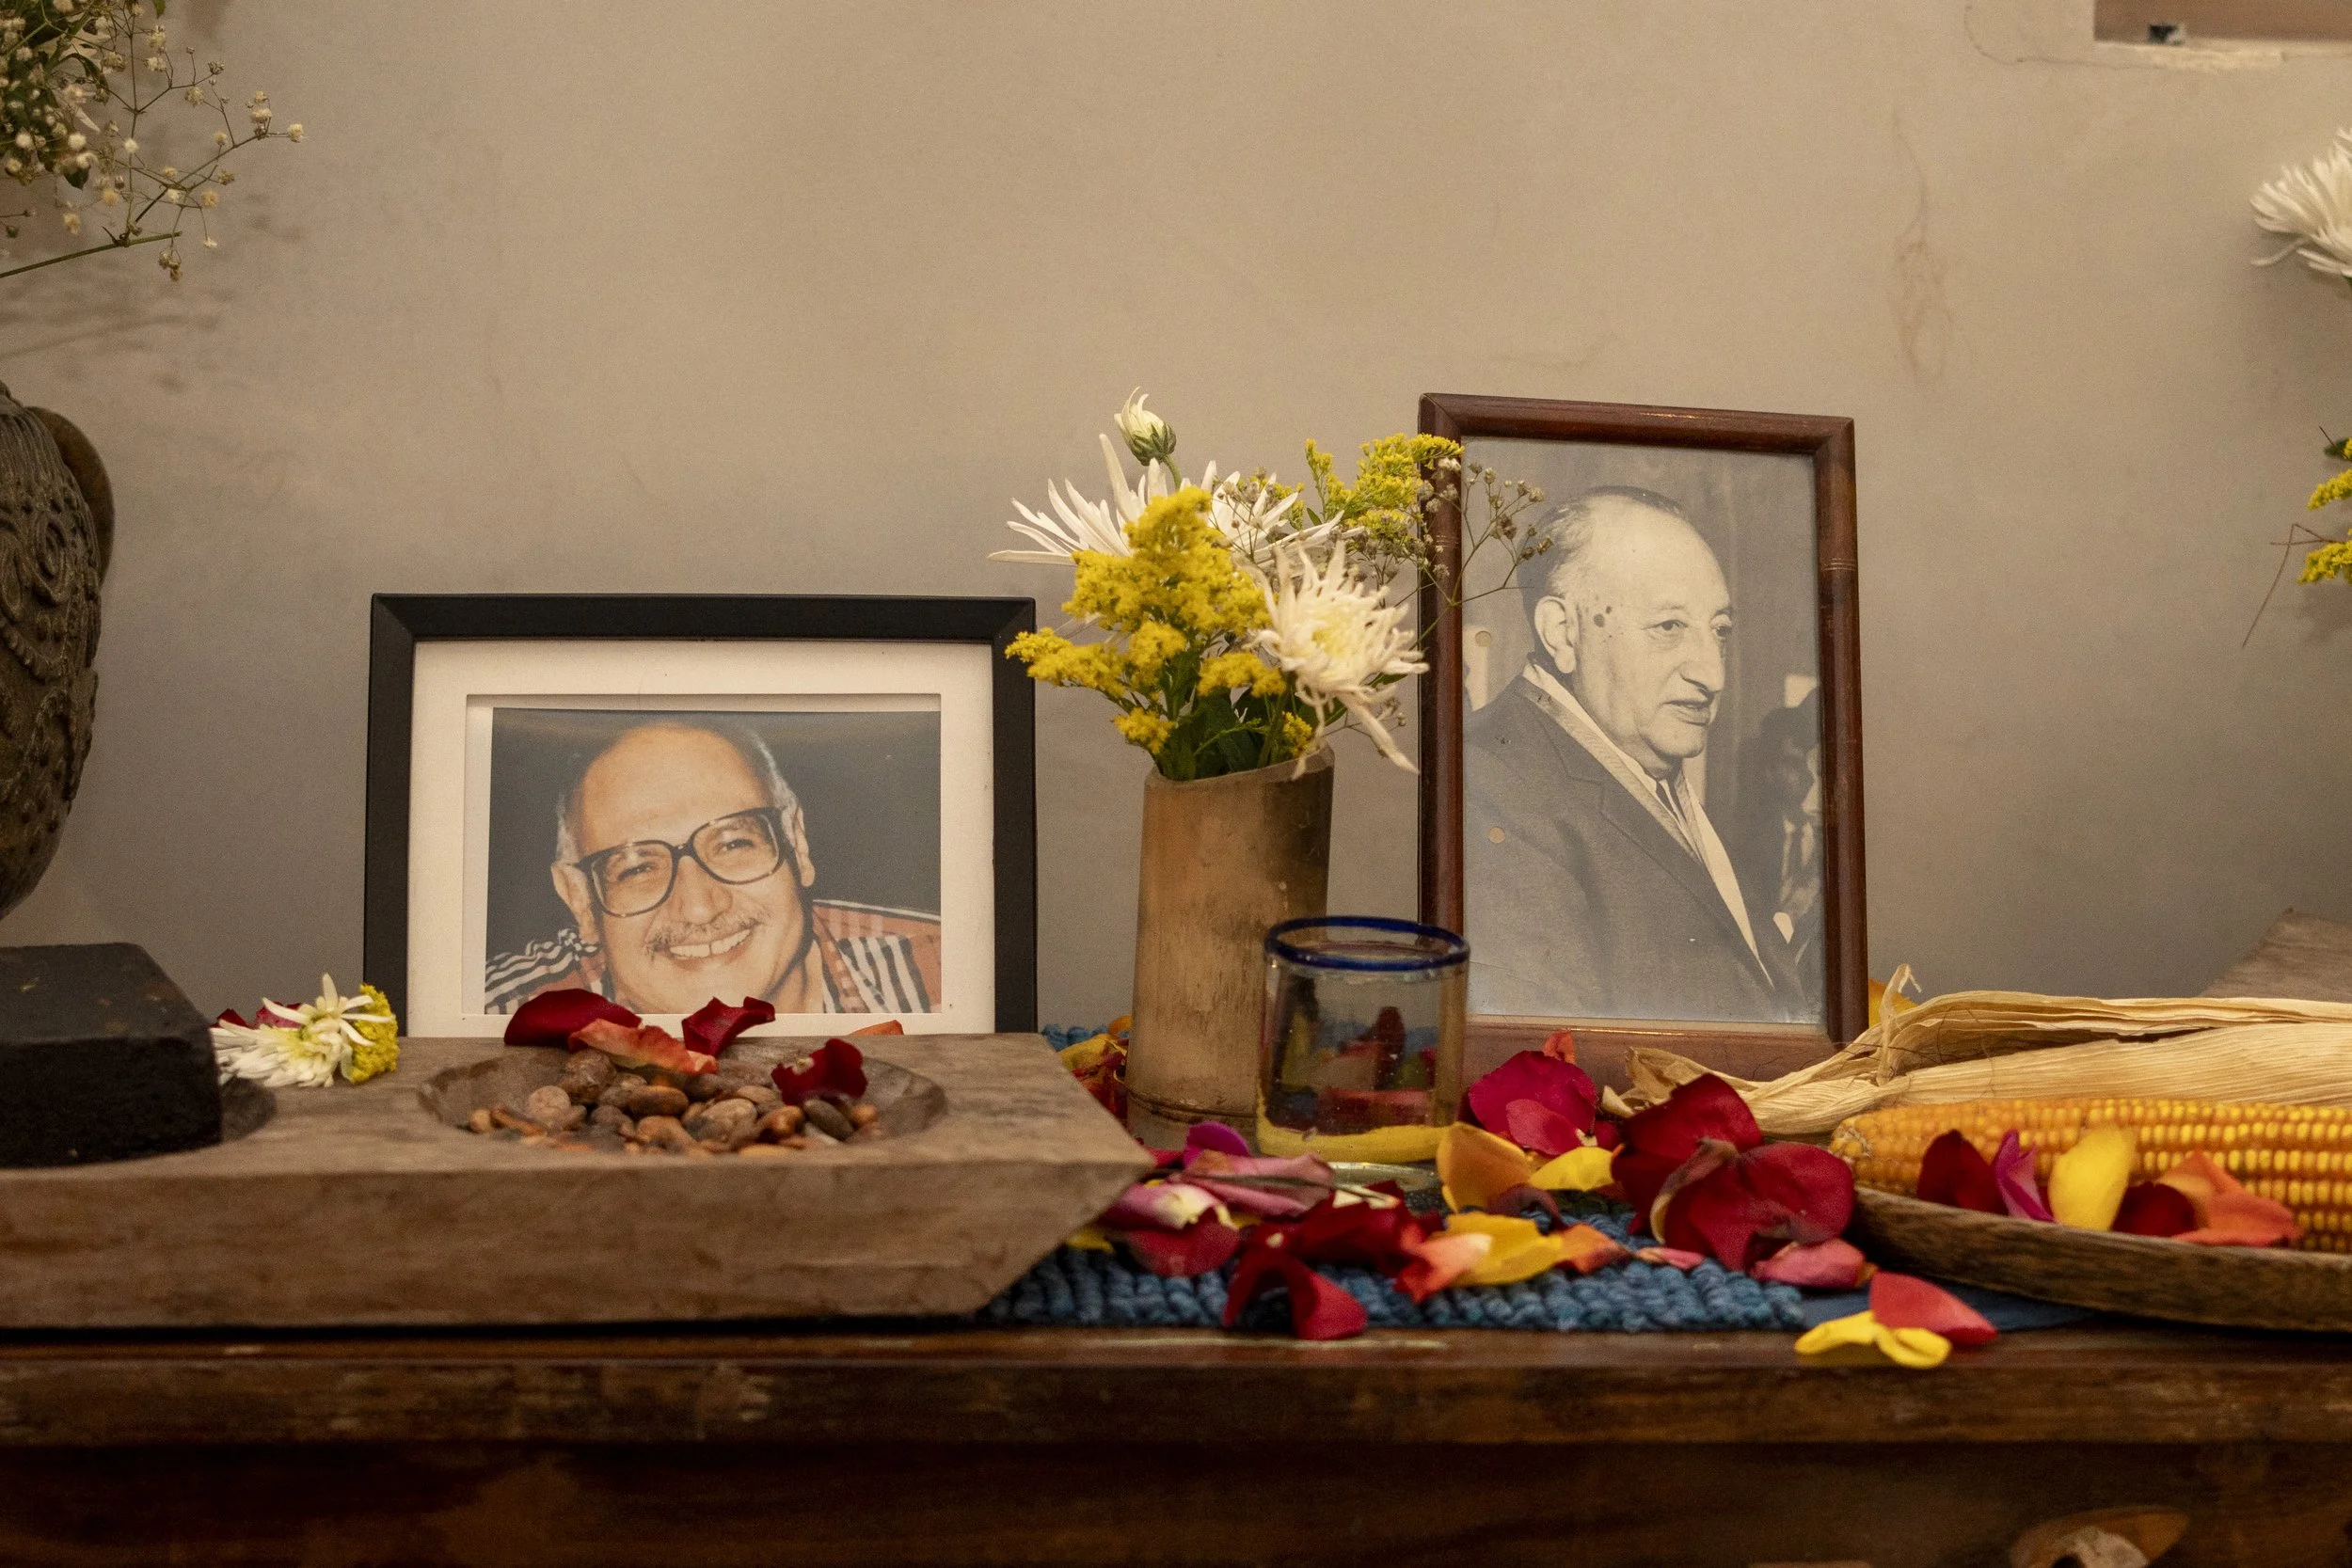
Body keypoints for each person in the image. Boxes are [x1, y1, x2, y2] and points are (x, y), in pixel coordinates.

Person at [1463, 486, 1803, 1022]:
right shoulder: (1491, 781)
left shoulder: (1640, 765)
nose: (1713, 675)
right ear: (1563, 632)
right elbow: (1546, 1065)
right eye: (1669, 627)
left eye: (1720, 632)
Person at [485, 720, 942, 1016]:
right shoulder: (491, 1015)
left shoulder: (945, 975)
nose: (700, 908)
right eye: (638, 868)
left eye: (733, 843)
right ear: (581, 900)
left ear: (796, 844)